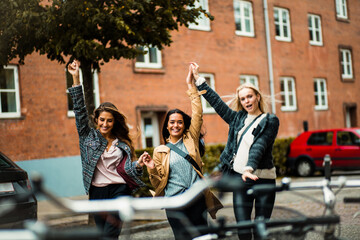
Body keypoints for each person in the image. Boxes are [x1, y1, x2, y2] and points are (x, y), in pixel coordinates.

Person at [191, 62, 279, 240]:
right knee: (243, 228)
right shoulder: (237, 118)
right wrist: (199, 80)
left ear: (257, 97)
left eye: (249, 97)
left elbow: (259, 145)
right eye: (243, 99)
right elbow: (217, 103)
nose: (247, 101)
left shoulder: (270, 120)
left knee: (262, 228)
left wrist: (249, 167)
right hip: (241, 179)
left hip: (264, 180)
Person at [67, 60, 152, 240]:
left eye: (109, 120)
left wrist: (138, 164)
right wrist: (75, 77)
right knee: (103, 234)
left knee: (110, 233)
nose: (105, 124)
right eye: (102, 119)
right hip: (97, 193)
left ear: (115, 122)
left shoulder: (121, 143)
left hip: (119, 191)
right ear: (96, 120)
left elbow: (125, 169)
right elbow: (79, 110)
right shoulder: (87, 136)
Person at [146, 64, 223, 240]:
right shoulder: (160, 151)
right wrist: (151, 167)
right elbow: (158, 184)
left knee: (202, 237)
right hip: (174, 202)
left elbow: (197, 113)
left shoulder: (190, 139)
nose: (176, 125)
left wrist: (191, 85)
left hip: (196, 198)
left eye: (179, 122)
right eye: (172, 122)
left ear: (184, 125)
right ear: (166, 126)